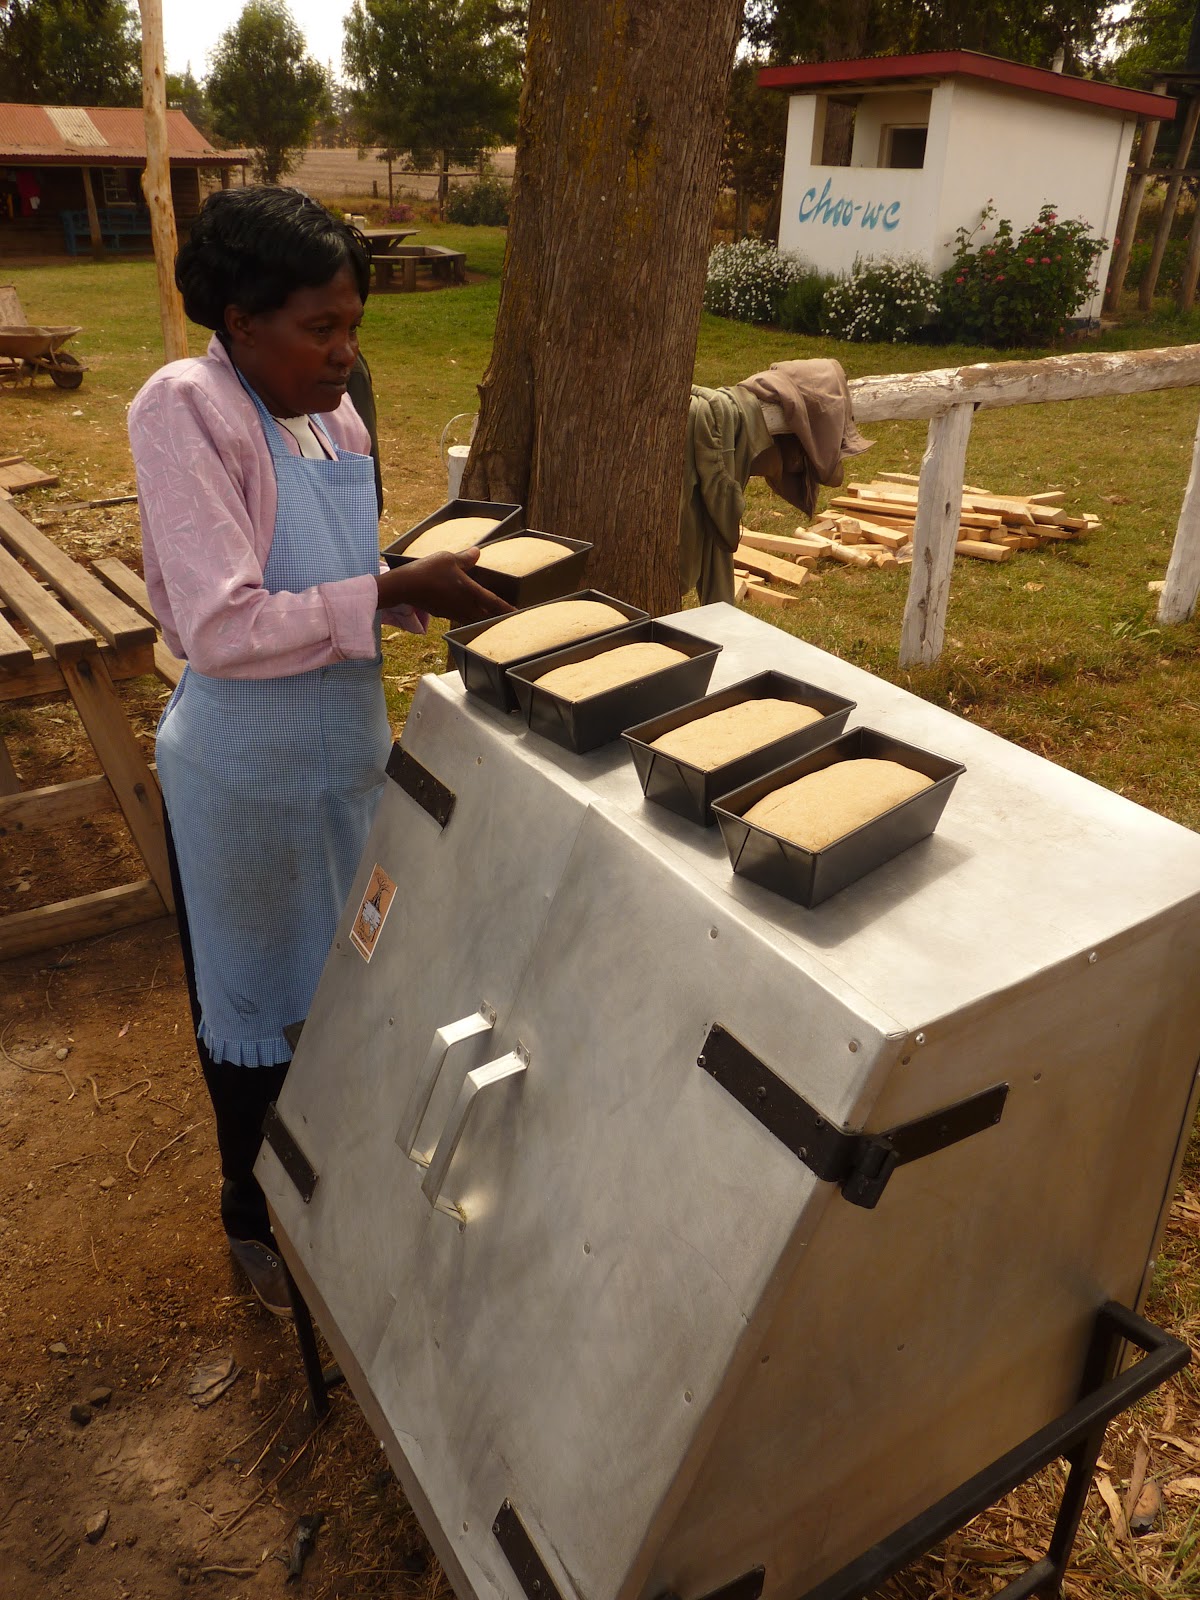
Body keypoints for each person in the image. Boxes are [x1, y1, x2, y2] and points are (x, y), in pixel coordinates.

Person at [128, 186, 509, 1315]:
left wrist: (424, 580)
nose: (345, 354)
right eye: (319, 329)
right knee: (255, 1013)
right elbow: (224, 624)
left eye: (354, 327)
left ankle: (332, 1190)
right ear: (242, 320)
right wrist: (391, 585)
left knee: (349, 987)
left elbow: (323, 572)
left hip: (344, 751)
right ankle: (256, 1218)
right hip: (243, 775)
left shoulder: (332, 418)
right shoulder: (185, 406)